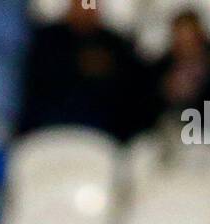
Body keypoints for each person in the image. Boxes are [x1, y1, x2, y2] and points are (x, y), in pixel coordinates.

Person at [19, 0, 150, 141]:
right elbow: (35, 89)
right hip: (49, 127)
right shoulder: (46, 40)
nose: (85, 10)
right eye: (80, 4)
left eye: (89, 5)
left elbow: (128, 95)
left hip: (102, 132)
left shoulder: (114, 45)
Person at [146, 9, 210, 136]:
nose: (185, 42)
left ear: (200, 37)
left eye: (189, 36)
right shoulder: (161, 70)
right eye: (180, 36)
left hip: (206, 138)